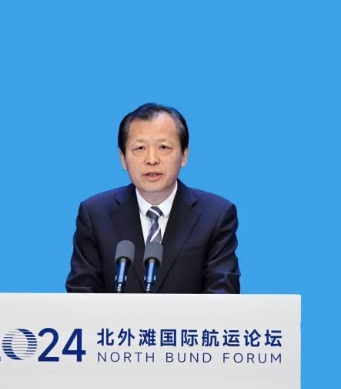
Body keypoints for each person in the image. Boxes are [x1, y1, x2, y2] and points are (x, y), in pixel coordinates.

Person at [65, 102, 240, 293]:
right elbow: (81, 293)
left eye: (163, 147)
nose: (151, 159)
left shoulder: (216, 215)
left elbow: (223, 293)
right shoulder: (95, 214)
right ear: (123, 158)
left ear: (184, 155)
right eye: (140, 148)